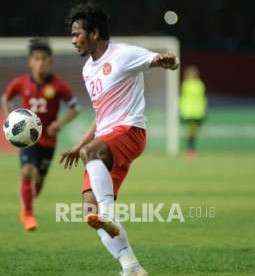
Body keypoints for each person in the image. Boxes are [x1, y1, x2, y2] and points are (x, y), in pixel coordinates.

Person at [60, 3, 179, 276]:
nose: (73, 39)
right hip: (106, 142)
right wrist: (78, 145)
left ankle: (109, 215)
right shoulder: (88, 70)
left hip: (130, 132)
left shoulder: (124, 54)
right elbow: (101, 115)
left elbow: (158, 60)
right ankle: (131, 267)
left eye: (77, 33)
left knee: (90, 157)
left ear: (94, 33)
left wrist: (169, 61)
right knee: (89, 211)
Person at [1, 38, 80, 231]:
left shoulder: (59, 86)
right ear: (30, 61)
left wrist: (59, 123)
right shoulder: (20, 82)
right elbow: (6, 97)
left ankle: (29, 200)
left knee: (38, 183)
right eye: (36, 58)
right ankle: (27, 213)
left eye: (44, 59)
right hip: (27, 137)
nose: (40, 62)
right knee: (27, 170)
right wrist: (9, 119)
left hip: (49, 140)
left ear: (50, 61)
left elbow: (75, 108)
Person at [180, 65, 207, 158]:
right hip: (197, 112)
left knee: (191, 132)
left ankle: (190, 150)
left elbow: (184, 99)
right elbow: (202, 99)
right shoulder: (200, 84)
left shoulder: (186, 84)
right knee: (192, 132)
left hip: (189, 112)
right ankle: (191, 150)